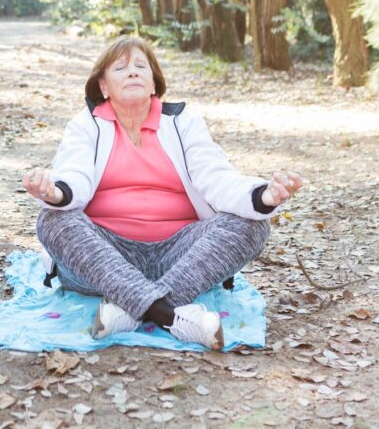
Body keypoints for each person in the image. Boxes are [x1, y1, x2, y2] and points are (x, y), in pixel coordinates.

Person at [22, 36, 301, 349]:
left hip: (179, 257)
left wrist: (264, 196)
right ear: (103, 87)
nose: (133, 72)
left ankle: (130, 310)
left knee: (253, 223)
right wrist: (54, 192)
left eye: (141, 66)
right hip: (103, 258)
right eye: (121, 68)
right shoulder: (85, 125)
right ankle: (169, 315)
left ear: (154, 84)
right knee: (52, 218)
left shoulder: (182, 123)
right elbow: (74, 175)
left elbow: (216, 177)